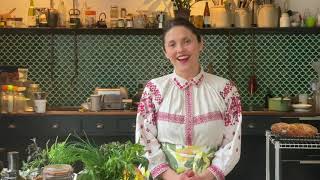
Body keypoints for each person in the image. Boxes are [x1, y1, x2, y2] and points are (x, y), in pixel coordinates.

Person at [135, 17, 242, 180]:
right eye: (172, 44)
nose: (180, 50)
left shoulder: (226, 90)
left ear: (200, 44)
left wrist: (206, 176)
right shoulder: (153, 89)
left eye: (187, 41)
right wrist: (171, 176)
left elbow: (231, 143)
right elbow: (145, 139)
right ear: (165, 52)